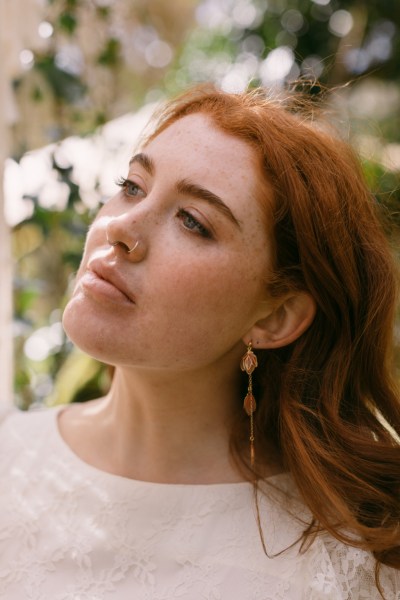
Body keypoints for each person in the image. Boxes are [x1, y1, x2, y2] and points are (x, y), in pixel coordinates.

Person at [0, 84, 399, 600]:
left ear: (275, 316)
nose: (121, 227)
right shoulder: (8, 457)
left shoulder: (353, 566)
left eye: (193, 222)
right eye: (133, 186)